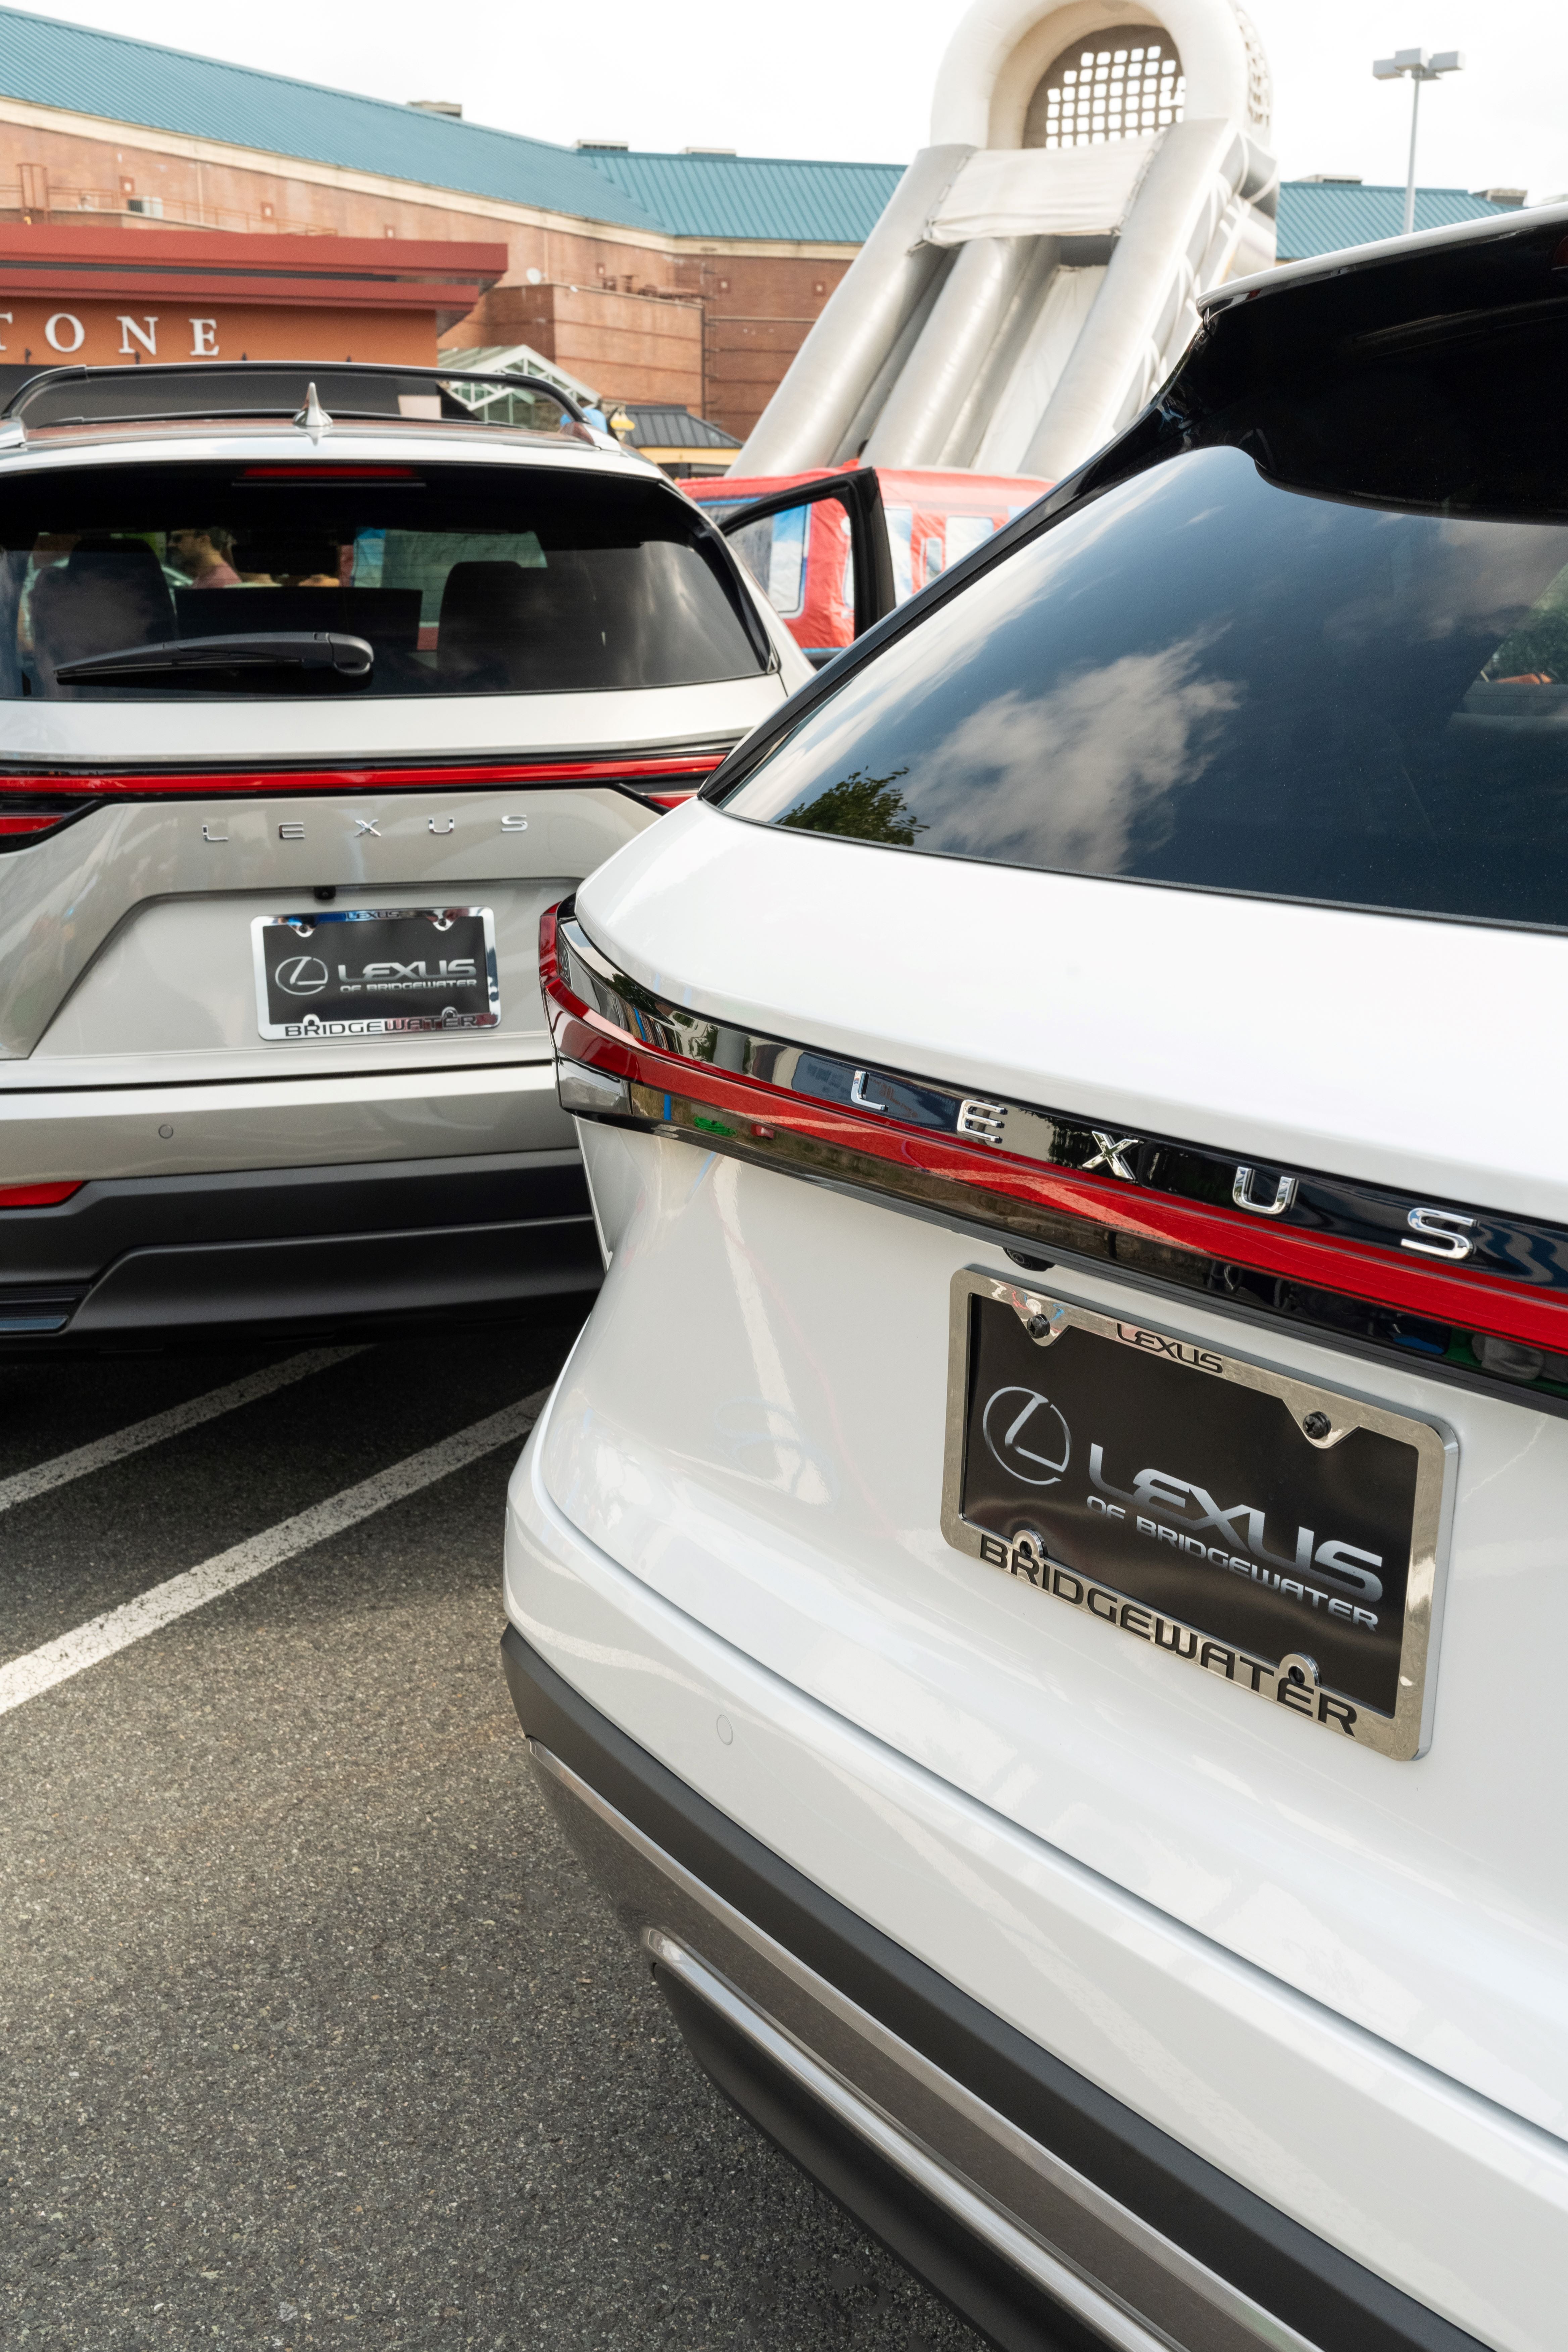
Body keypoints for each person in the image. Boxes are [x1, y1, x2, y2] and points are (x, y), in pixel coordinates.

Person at [169, 526, 241, 588]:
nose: (171, 545)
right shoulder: (207, 578)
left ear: (204, 540)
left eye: (178, 539)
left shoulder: (220, 582)